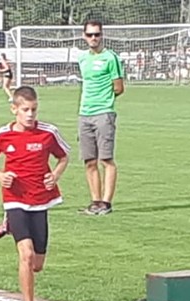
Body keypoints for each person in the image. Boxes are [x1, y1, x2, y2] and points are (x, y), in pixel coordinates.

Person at [0, 86, 70, 301]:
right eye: (25, 110)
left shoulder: (48, 133)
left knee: (37, 264)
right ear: (14, 109)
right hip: (15, 199)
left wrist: (55, 175)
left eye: (34, 110)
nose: (30, 115)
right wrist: (0, 176)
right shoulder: (2, 135)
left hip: (40, 200)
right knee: (26, 255)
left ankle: (7, 225)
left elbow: (63, 157)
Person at [78, 20, 125, 215]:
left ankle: (106, 203)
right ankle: (95, 201)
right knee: (89, 161)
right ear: (84, 36)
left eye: (97, 34)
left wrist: (104, 100)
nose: (93, 38)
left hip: (104, 113)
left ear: (102, 35)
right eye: (90, 35)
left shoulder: (110, 58)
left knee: (106, 159)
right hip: (84, 113)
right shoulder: (82, 59)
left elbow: (119, 87)